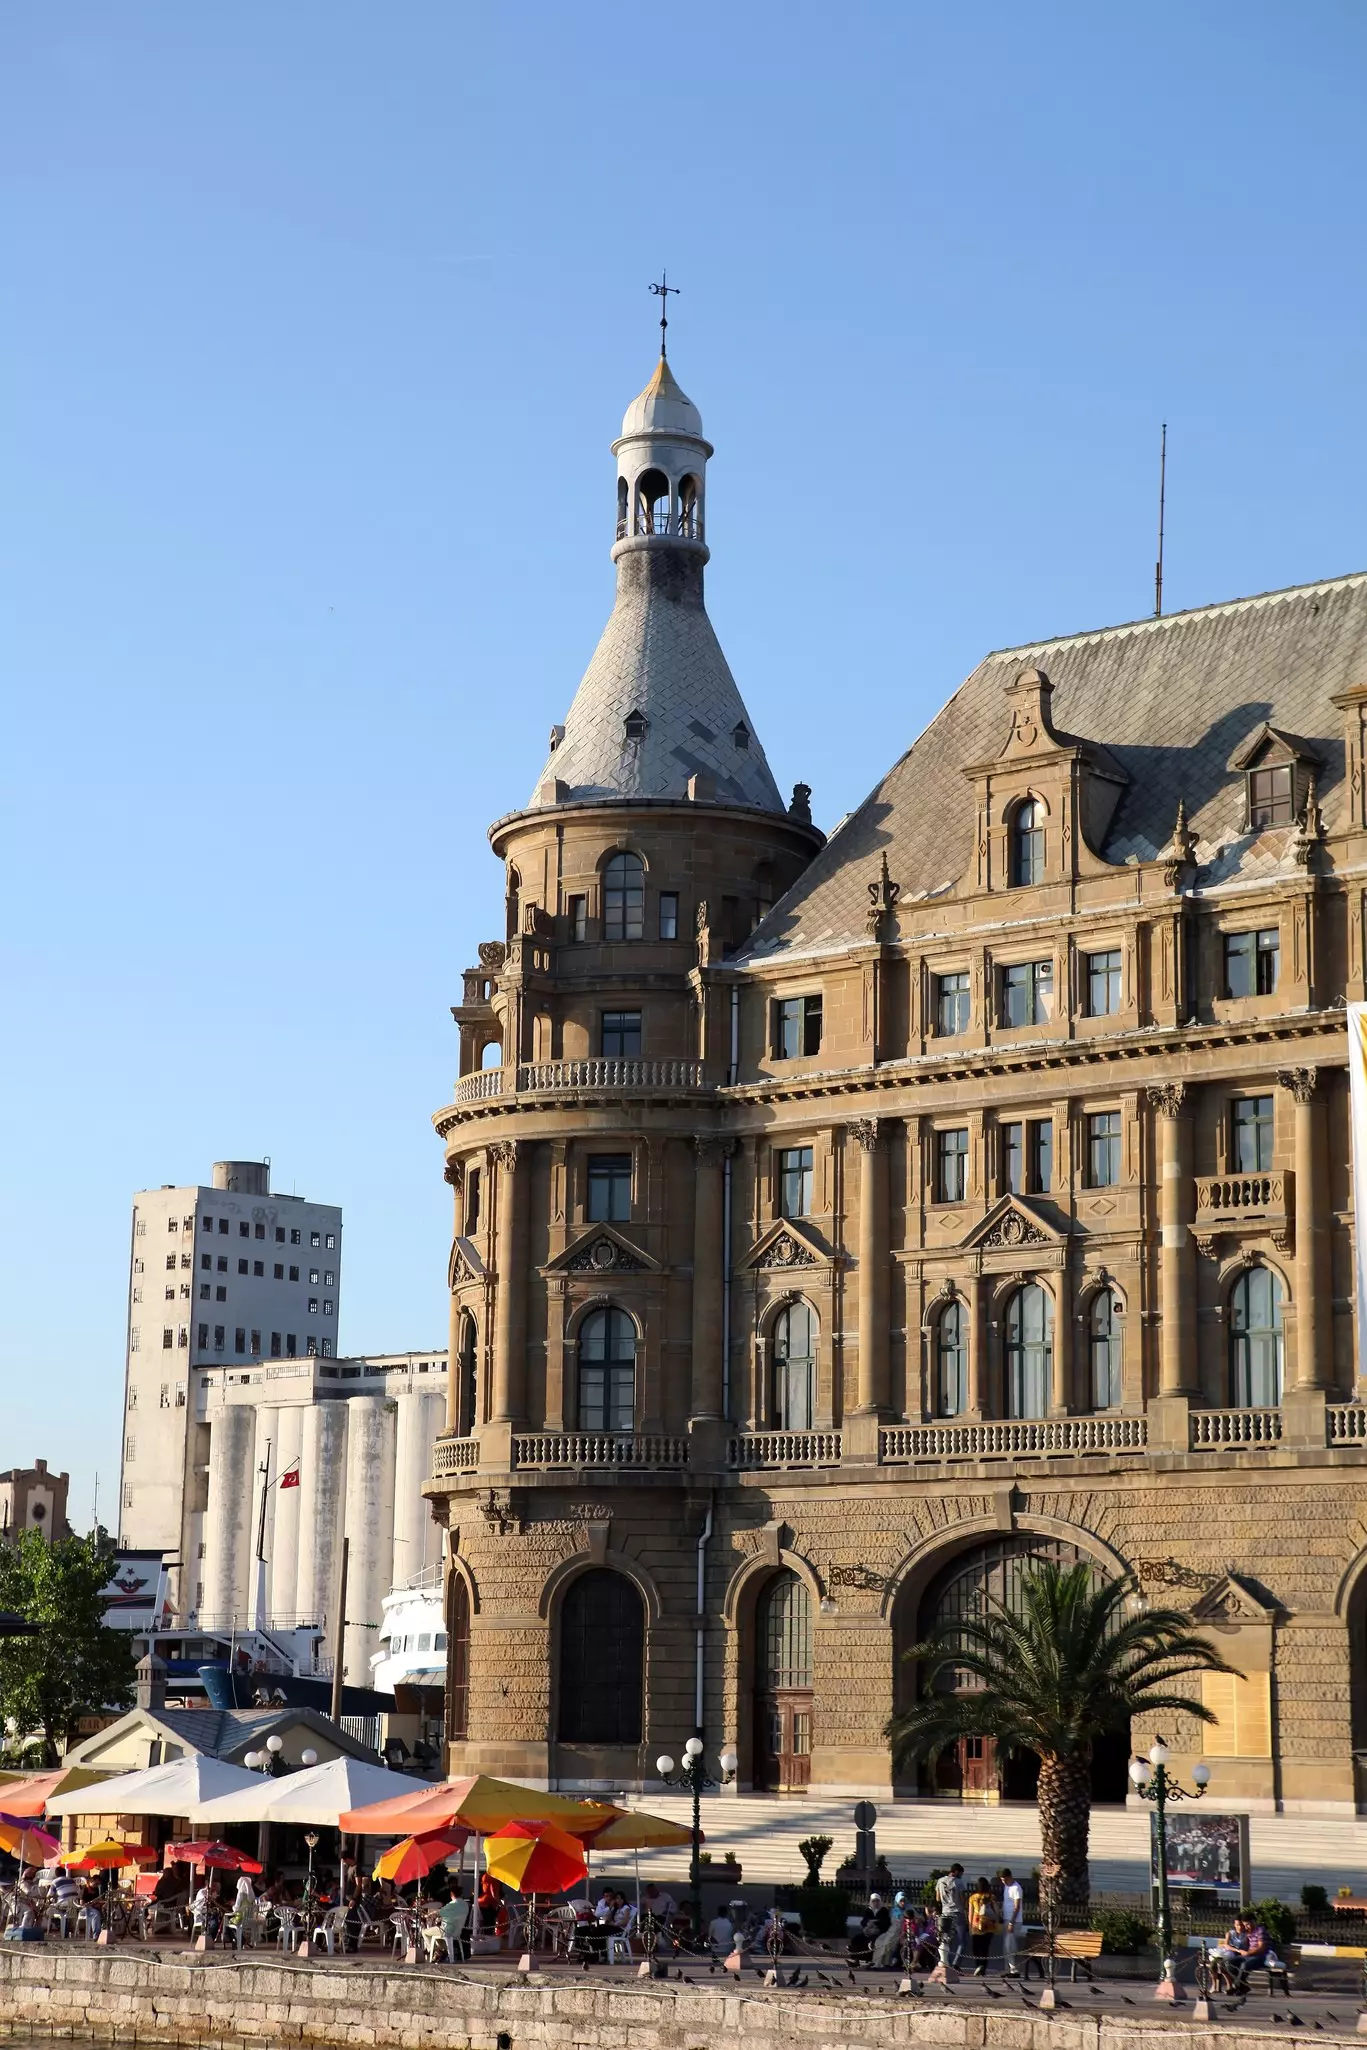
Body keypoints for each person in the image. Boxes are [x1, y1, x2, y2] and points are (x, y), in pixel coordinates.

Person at [935, 1865, 967, 1969]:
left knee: (946, 1939)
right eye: (961, 1873)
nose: (961, 1876)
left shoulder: (940, 1881)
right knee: (962, 1941)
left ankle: (945, 1961)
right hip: (957, 1912)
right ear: (956, 1872)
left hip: (945, 1912)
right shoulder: (958, 1882)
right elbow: (962, 1898)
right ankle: (956, 1963)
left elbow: (938, 1898)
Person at [967, 1876, 998, 1974]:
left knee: (976, 1948)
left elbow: (970, 1913)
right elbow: (997, 1912)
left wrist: (970, 1926)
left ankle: (978, 1966)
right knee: (985, 1948)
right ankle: (983, 1967)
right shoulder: (991, 1897)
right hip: (989, 1925)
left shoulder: (973, 1898)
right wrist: (996, 1921)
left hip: (976, 1925)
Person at [998, 1869, 1024, 1976]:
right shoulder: (1006, 1886)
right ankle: (1008, 1969)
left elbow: (1017, 1906)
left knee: (1010, 1945)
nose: (1003, 1882)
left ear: (1009, 1877)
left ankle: (1014, 1969)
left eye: (1005, 1879)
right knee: (1005, 1946)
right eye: (1002, 1880)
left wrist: (1011, 1922)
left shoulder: (1016, 1888)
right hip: (1006, 1918)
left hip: (1014, 1920)